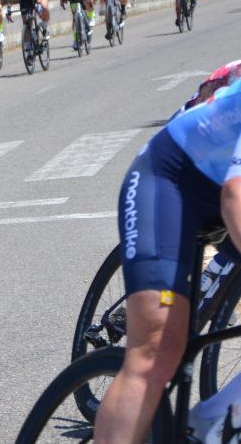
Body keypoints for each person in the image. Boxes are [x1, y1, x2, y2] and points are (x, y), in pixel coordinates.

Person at [91, 75, 241, 444]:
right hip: (172, 179)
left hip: (219, 181)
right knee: (157, 351)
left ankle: (216, 416)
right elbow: (234, 197)